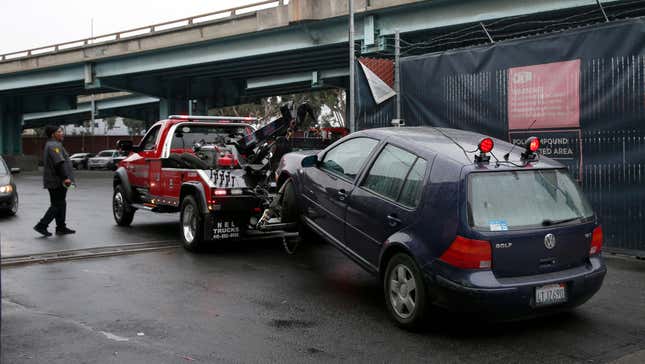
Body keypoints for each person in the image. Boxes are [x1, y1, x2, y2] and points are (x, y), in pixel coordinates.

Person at [33, 125, 76, 236]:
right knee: (57, 204)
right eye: (59, 131)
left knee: (61, 203)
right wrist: (66, 178)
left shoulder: (55, 145)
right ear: (53, 134)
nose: (62, 133)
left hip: (57, 180)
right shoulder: (53, 146)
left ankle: (61, 227)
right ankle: (42, 225)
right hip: (57, 181)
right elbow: (59, 163)